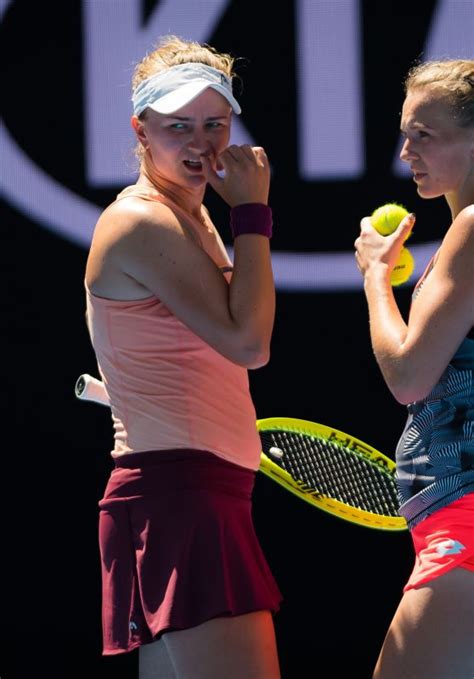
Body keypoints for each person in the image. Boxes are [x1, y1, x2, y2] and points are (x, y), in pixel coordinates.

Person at [84, 35, 282, 678]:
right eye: (178, 127)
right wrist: (253, 211)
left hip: (197, 490)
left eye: (214, 124)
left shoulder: (191, 219)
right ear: (141, 131)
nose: (200, 143)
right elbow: (250, 344)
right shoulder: (142, 221)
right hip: (181, 495)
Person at [354, 59, 474, 679]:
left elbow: (408, 376)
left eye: (424, 135)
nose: (406, 153)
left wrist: (376, 278)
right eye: (405, 133)